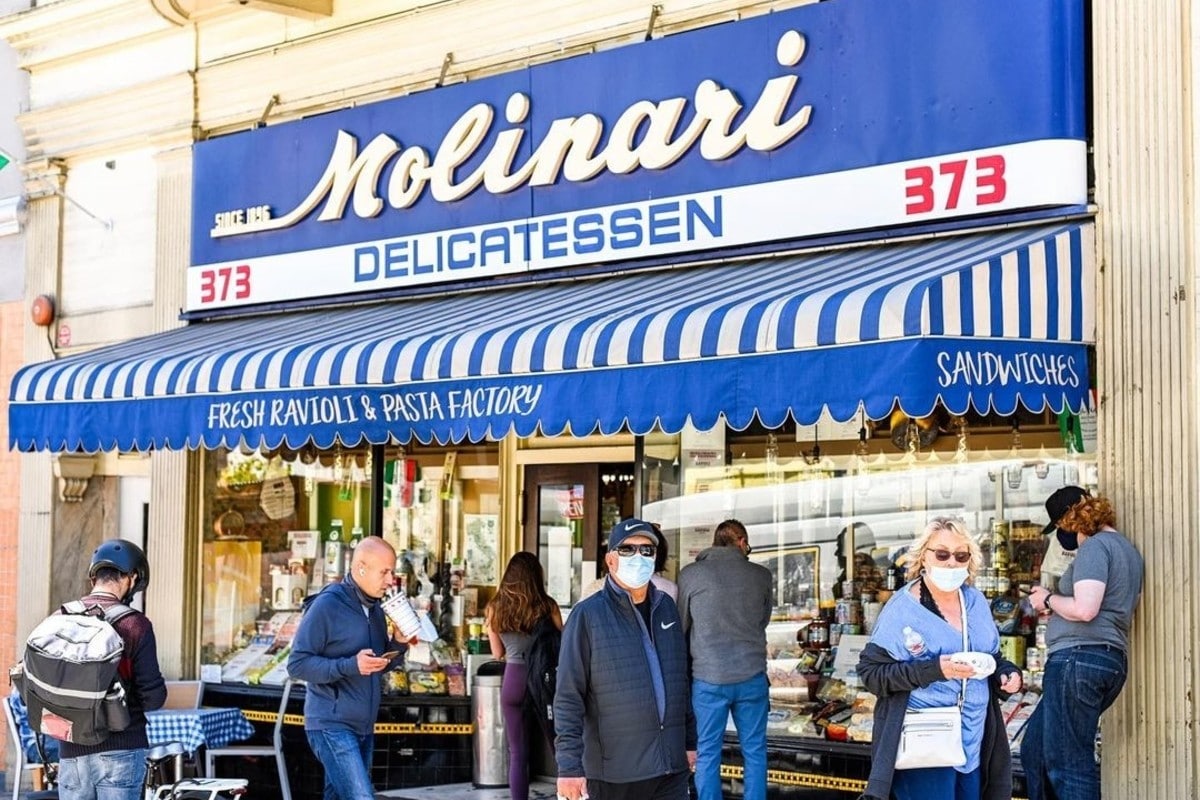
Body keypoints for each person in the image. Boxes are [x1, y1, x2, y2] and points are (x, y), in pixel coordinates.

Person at [856, 517, 1022, 800]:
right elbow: (872, 674)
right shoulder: (902, 609)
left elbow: (991, 654)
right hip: (925, 742)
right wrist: (935, 669)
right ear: (923, 557)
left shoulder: (975, 601)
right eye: (942, 554)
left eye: (961, 555)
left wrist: (1005, 673)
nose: (951, 563)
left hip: (974, 739)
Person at [554, 517, 697, 800]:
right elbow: (568, 696)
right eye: (628, 550)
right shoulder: (587, 616)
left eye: (647, 551)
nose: (638, 557)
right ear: (610, 560)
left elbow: (680, 681)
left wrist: (689, 741)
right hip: (614, 774)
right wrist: (569, 767)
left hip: (669, 769)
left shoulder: (666, 608)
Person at [1022, 487, 1143, 800]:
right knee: (1035, 748)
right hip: (1104, 660)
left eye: (1059, 527)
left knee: (1069, 764)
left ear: (1068, 520)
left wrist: (1047, 598)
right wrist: (1061, 604)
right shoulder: (1126, 550)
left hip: (1078, 660)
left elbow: (1086, 609)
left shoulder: (1094, 548)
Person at [288, 536, 408, 800]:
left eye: (392, 572)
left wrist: (399, 643)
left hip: (363, 726)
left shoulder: (376, 608)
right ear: (361, 568)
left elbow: (378, 665)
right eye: (385, 572)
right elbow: (297, 664)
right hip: (331, 724)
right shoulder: (327, 604)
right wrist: (350, 665)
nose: (391, 580)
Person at [57, 540, 167, 800]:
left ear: (94, 575)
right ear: (133, 577)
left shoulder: (60, 617)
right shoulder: (135, 625)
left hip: (71, 750)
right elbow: (153, 698)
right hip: (121, 748)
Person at [676, 519, 772, 800]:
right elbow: (762, 621)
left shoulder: (690, 575)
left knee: (707, 752)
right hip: (752, 676)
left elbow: (682, 625)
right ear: (741, 541)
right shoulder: (761, 575)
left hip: (708, 678)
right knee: (755, 751)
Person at [484, 552, 563, 800]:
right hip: (544, 680)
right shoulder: (547, 605)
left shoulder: (495, 607)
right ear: (536, 576)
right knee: (558, 745)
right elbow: (563, 643)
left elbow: (497, 653)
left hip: (513, 680)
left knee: (517, 751)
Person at [581, 522, 677, 601]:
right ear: (610, 560)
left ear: (656, 555)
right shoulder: (591, 601)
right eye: (626, 549)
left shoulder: (666, 601)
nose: (638, 557)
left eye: (647, 549)